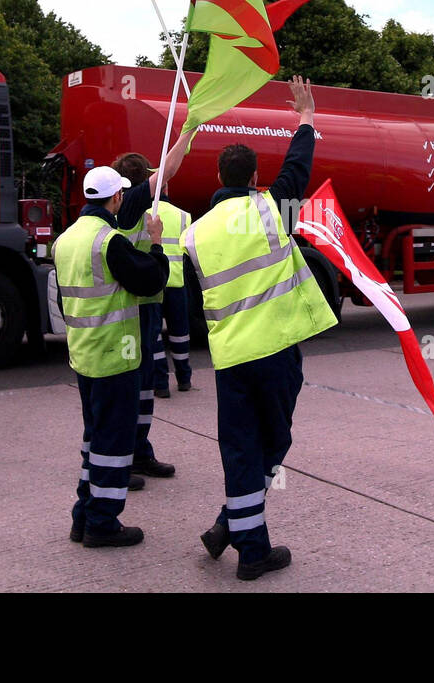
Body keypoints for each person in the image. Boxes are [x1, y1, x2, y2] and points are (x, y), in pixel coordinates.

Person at [184, 76, 337, 581]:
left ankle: (236, 529)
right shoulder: (271, 209)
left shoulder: (194, 233)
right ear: (253, 178)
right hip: (274, 352)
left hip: (230, 361)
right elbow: (298, 168)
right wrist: (307, 117)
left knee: (241, 448)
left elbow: (186, 304)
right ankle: (248, 546)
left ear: (220, 175)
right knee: (273, 443)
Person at [56, 166, 168, 548]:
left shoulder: (67, 239)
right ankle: (102, 524)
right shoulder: (110, 241)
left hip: (84, 354)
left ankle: (82, 516)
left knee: (94, 440)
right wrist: (156, 244)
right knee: (113, 443)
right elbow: (151, 279)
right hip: (115, 356)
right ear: (116, 198)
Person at [112, 134, 192, 477]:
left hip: (147, 303)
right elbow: (168, 170)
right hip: (134, 309)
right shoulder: (131, 205)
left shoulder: (133, 209)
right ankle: (124, 457)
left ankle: (140, 452)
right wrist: (190, 128)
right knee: (130, 388)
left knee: (143, 386)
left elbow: (165, 172)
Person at [152, 187, 194, 396]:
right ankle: (184, 378)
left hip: (153, 284)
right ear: (167, 187)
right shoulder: (184, 216)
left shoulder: (145, 216)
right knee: (180, 334)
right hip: (176, 283)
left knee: (155, 335)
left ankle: (160, 384)